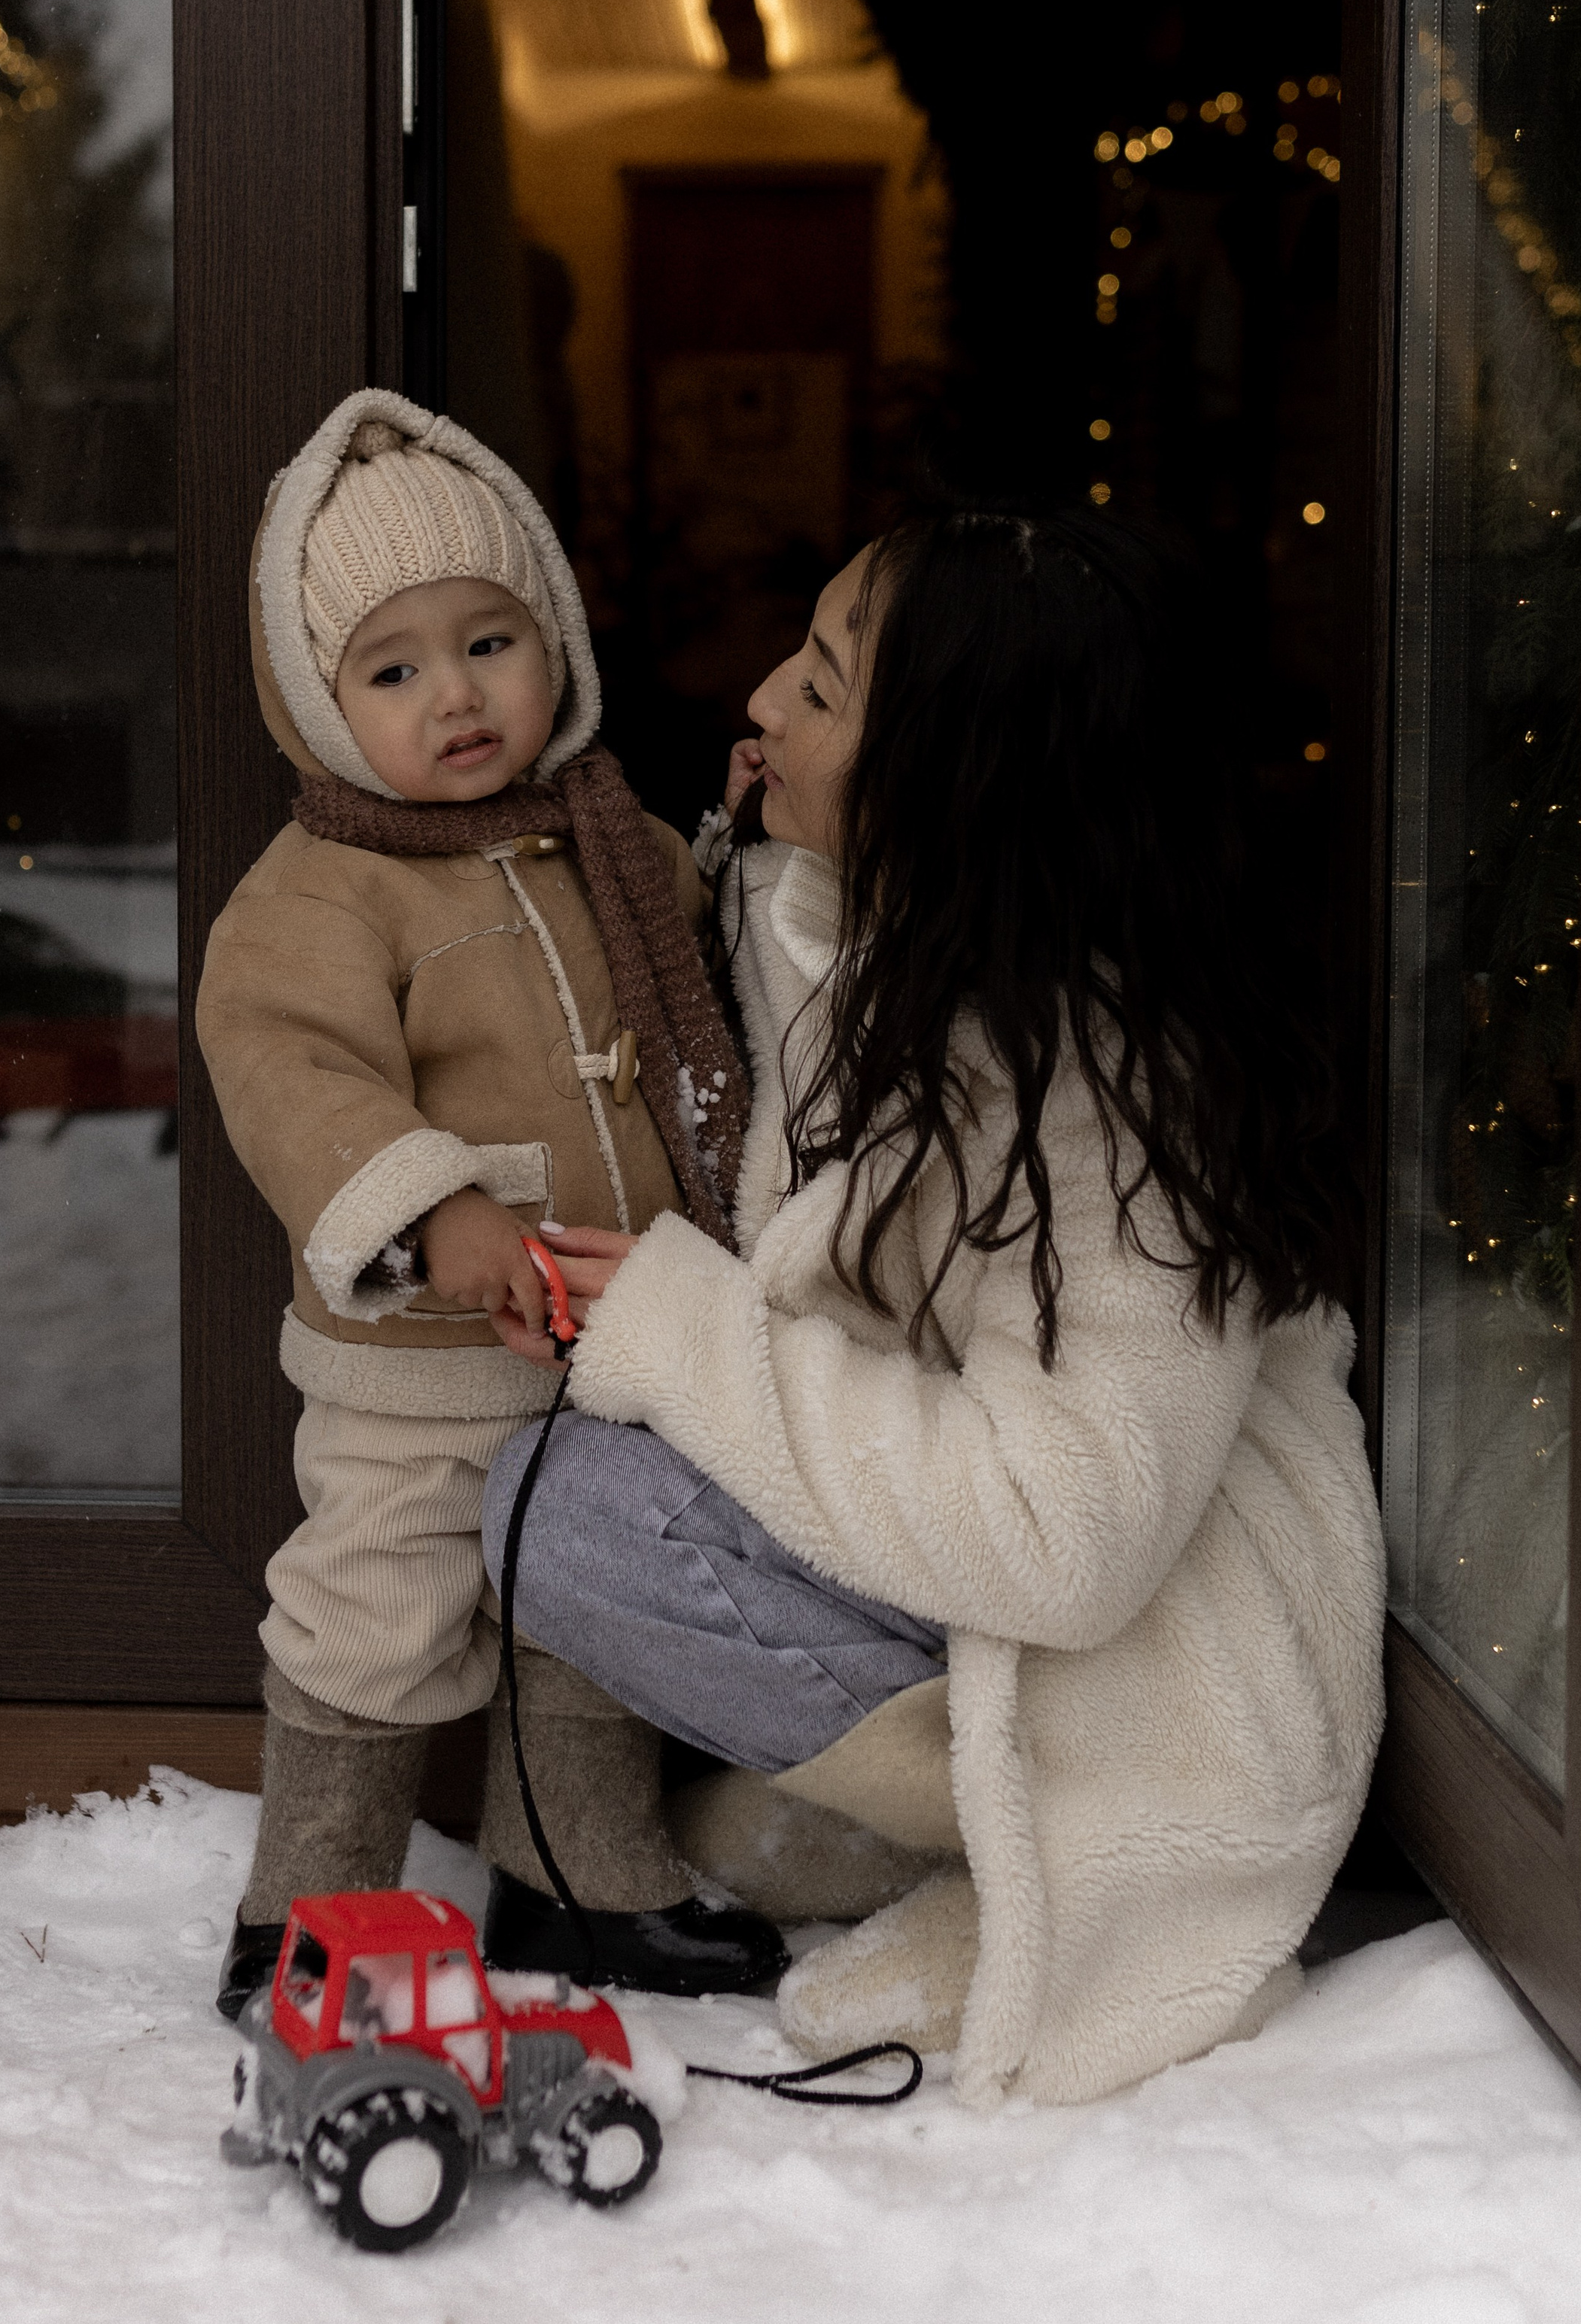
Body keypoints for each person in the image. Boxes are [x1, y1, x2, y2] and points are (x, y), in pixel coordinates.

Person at [481, 508, 1388, 2105]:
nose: (760, 700)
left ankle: (1038, 1846)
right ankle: (931, 1809)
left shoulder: (1116, 1104)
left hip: (1157, 1676)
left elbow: (1065, 1535)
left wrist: (694, 1341)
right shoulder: (906, 940)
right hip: (1000, 1588)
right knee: (564, 1483)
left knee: (575, 1512)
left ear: (959, 793)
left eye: (822, 692)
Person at [195, 389, 782, 2020]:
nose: (453, 696)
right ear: (321, 698)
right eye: (391, 669)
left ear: (556, 643)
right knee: (373, 1606)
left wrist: (757, 839)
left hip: (607, 1335)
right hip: (422, 1363)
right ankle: (307, 1910)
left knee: (588, 1611)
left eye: (490, 642)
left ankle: (572, 1879)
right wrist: (434, 1214)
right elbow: (293, 1076)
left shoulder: (610, 839)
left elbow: (709, 985)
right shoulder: (317, 890)